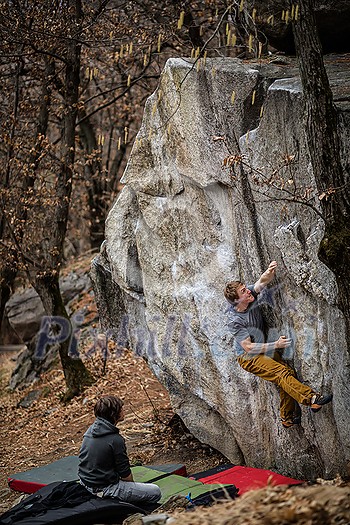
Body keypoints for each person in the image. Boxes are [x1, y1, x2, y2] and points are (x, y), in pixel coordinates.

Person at [224, 261, 333, 428]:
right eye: (243, 291)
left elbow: (262, 281)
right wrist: (276, 344)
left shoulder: (249, 296)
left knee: (286, 373)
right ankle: (311, 398)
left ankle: (286, 417)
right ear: (238, 301)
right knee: (281, 372)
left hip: (262, 346)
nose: (248, 290)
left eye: (245, 288)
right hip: (248, 356)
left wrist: (269, 270)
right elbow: (248, 348)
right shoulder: (235, 321)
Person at [78, 395, 162, 504]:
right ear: (114, 414)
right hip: (103, 489)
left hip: (84, 483)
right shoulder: (115, 440)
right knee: (155, 491)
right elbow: (126, 476)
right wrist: (133, 488)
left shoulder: (90, 430)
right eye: (121, 409)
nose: (123, 410)